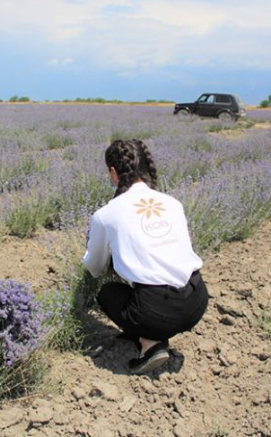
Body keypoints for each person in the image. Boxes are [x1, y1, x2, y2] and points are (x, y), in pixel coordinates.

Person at [82, 139, 209, 374]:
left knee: (108, 293)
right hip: (197, 301)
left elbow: (94, 267)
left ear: (113, 172)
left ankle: (150, 344)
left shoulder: (106, 214)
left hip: (156, 311)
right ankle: (150, 329)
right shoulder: (172, 203)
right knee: (147, 289)